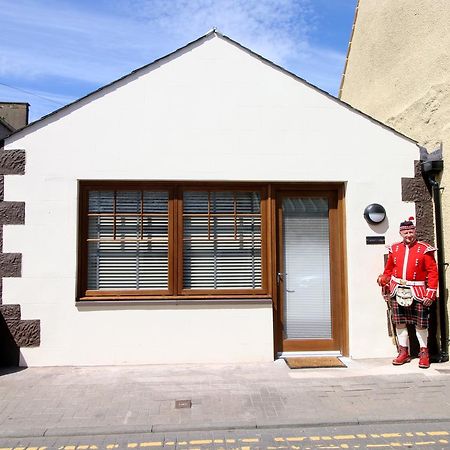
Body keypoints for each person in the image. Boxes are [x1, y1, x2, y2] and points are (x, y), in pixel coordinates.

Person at [377, 217, 438, 368]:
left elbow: (432, 272)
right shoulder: (395, 248)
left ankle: (424, 353)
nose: (409, 235)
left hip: (418, 290)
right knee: (399, 322)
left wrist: (431, 292)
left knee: (421, 324)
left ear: (415, 232)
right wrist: (384, 281)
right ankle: (403, 352)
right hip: (397, 289)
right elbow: (389, 269)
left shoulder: (425, 249)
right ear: (401, 233)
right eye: (406, 232)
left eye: (411, 232)